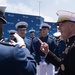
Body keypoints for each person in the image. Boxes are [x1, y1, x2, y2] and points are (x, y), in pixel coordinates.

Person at [0, 6, 36, 75]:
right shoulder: (11, 43)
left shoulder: (29, 41)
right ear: (17, 31)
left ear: (26, 31)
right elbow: (31, 71)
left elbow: (33, 52)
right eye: (21, 30)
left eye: (24, 30)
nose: (22, 32)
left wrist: (31, 58)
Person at [39, 10, 75, 75]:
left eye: (61, 25)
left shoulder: (73, 46)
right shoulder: (70, 44)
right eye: (58, 25)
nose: (59, 28)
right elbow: (63, 65)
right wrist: (47, 52)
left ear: (71, 26)